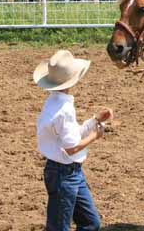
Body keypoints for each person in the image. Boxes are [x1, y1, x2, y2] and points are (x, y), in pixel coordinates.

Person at [34, 49, 113, 231]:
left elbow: (70, 136)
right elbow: (72, 148)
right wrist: (95, 135)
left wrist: (95, 120)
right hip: (65, 174)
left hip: (65, 172)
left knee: (90, 223)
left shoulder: (54, 103)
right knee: (71, 226)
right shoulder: (64, 108)